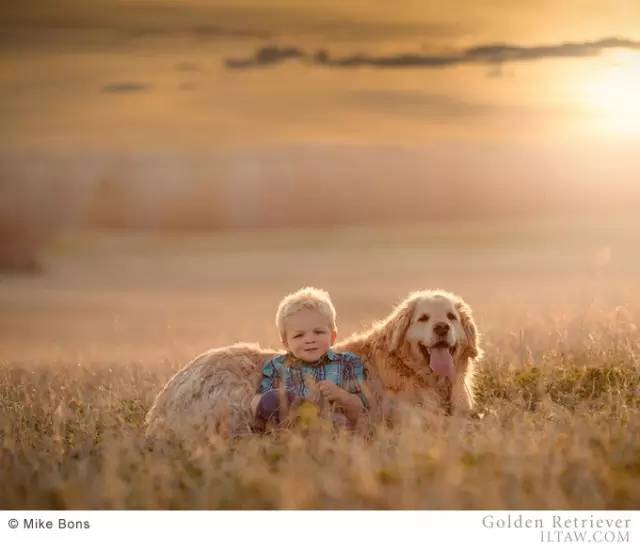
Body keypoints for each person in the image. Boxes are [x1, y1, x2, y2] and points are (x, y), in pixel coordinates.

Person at [251, 287, 369, 432]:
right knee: (270, 401)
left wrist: (341, 395)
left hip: (330, 432)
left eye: (318, 332)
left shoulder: (346, 363)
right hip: (289, 433)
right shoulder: (276, 366)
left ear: (333, 337)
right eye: (299, 335)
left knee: (340, 422)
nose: (310, 340)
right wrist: (280, 401)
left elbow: (361, 411)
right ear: (286, 343)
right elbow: (259, 402)